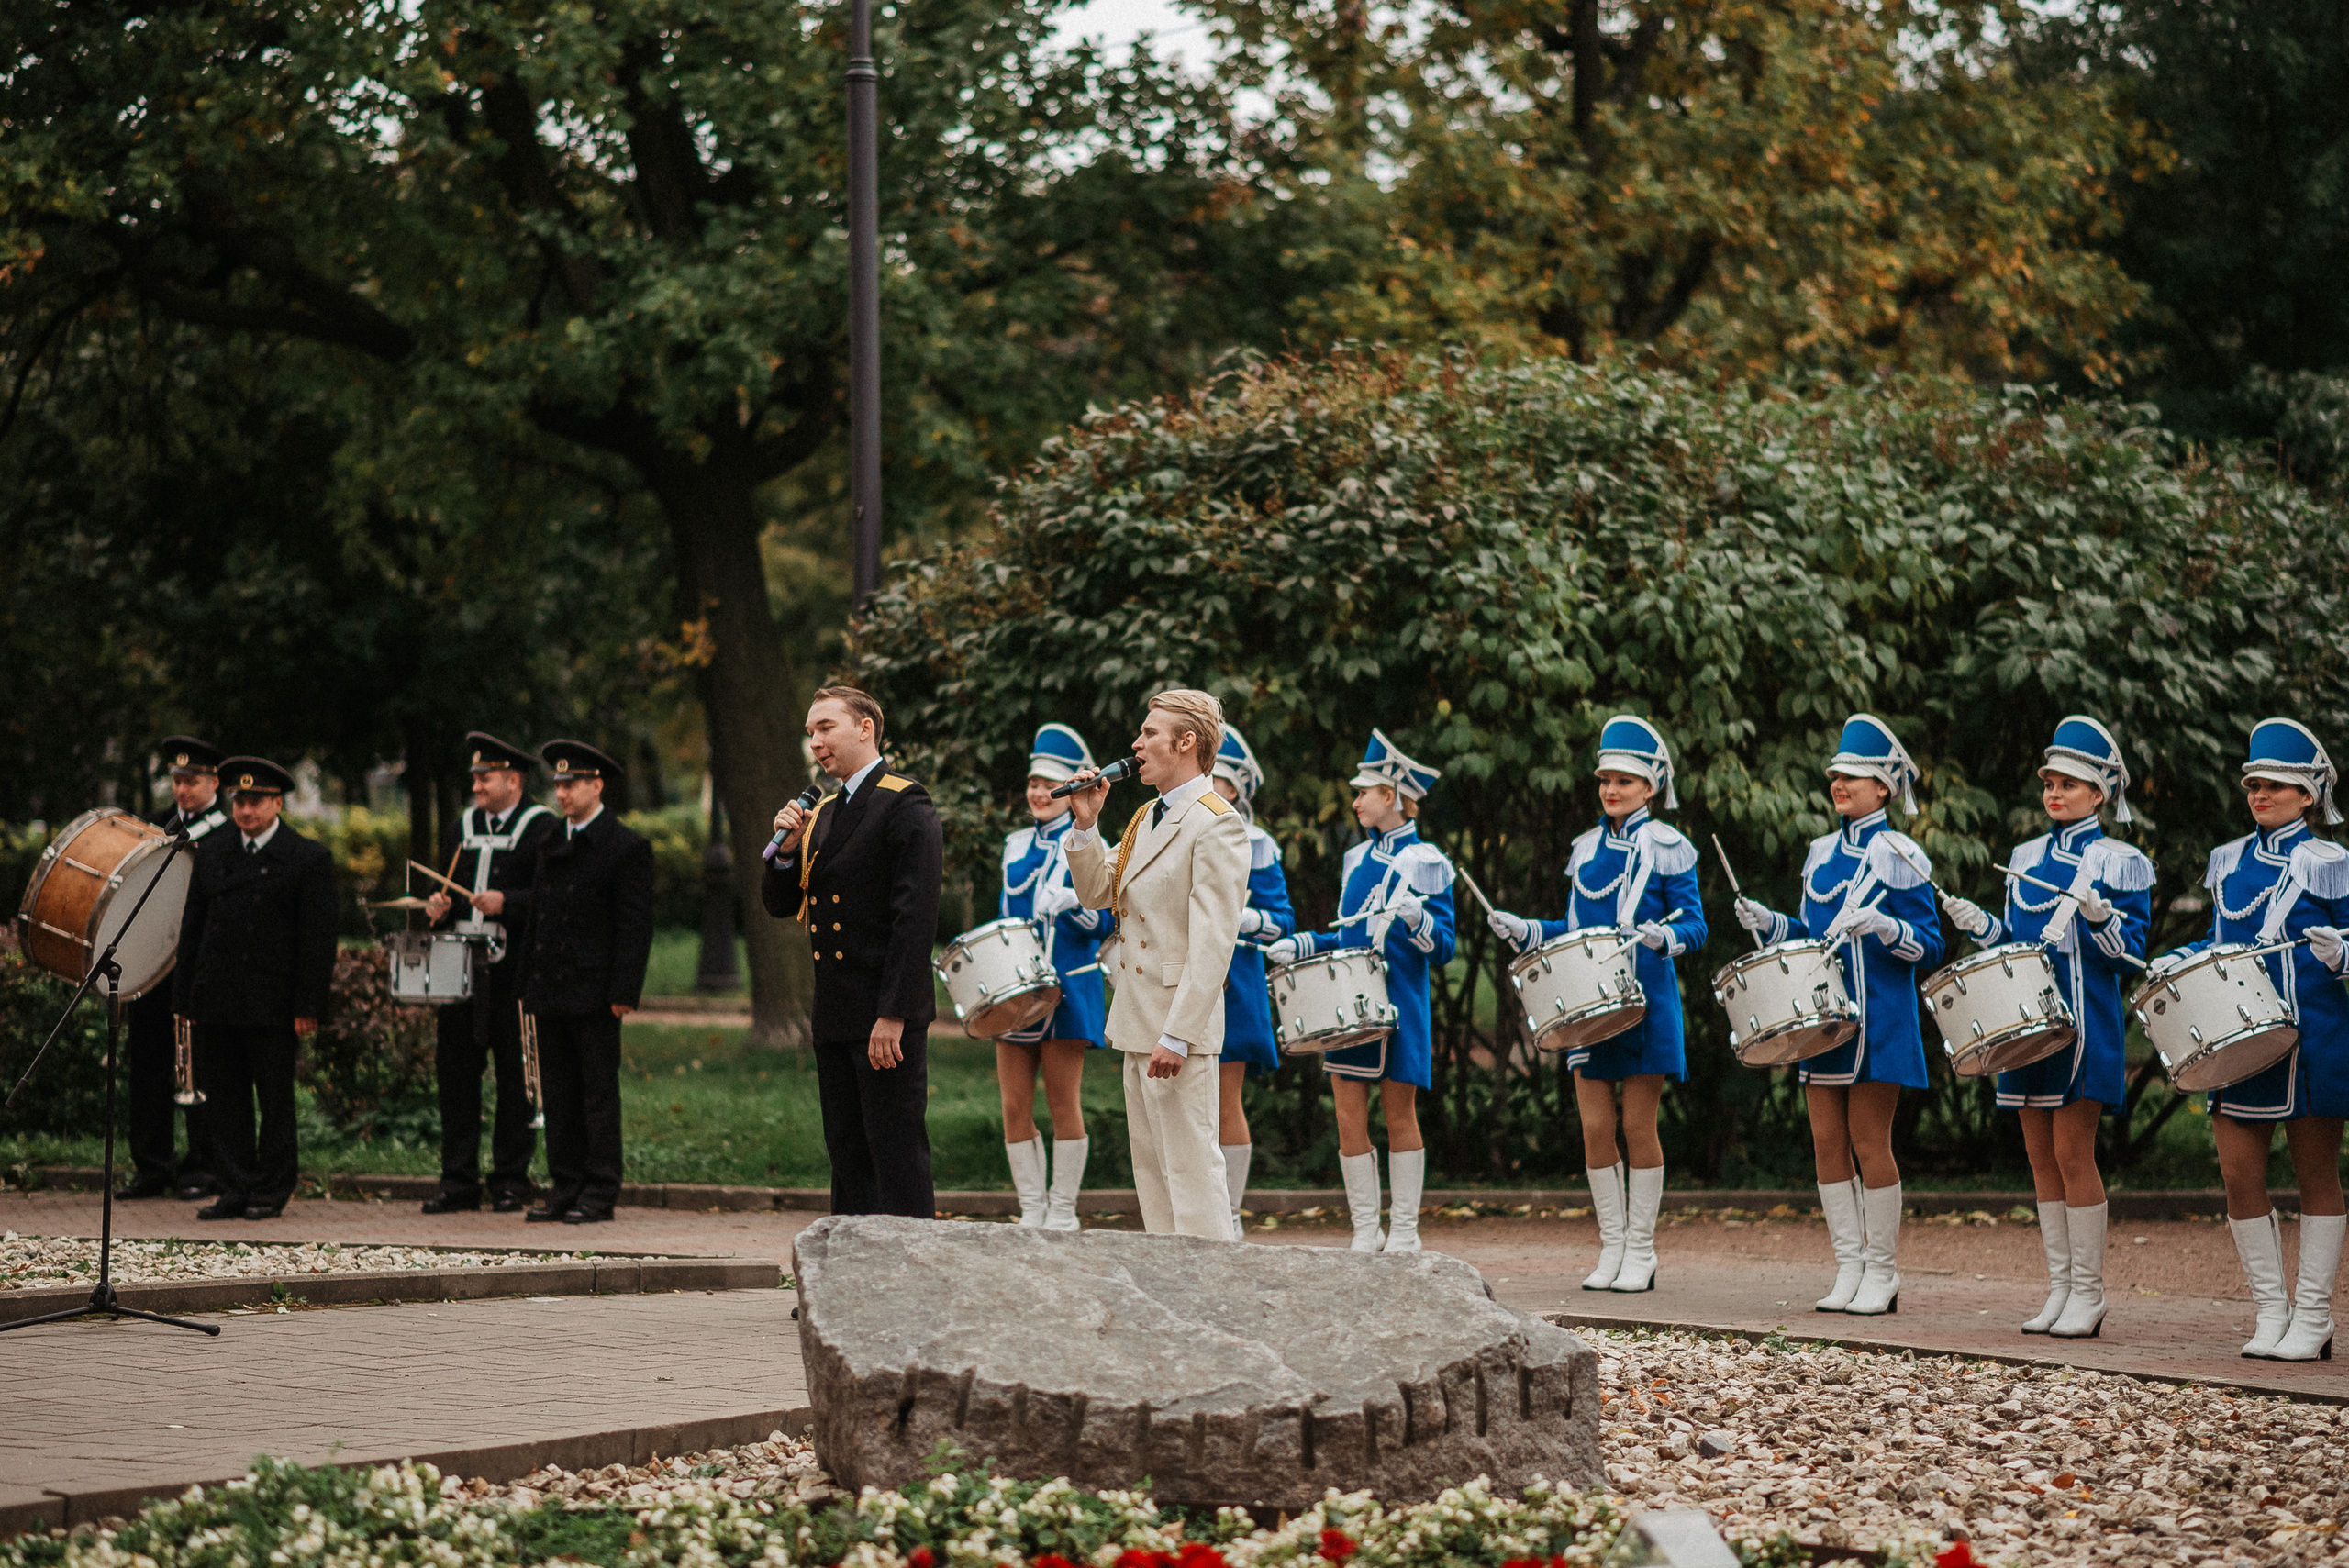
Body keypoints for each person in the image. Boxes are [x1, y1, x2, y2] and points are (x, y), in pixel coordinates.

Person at [1940, 717, 2151, 1340]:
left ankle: (2089, 1292)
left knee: (2071, 1151)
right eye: (2050, 783)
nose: (2055, 793)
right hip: (2024, 1025)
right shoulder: (2026, 856)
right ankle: (2060, 1287)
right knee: (2038, 1157)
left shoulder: (2122, 862)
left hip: (2086, 1023)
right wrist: (1981, 925)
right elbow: (2015, 944)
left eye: (2070, 784)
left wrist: (2102, 917)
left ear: (2100, 793)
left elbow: (2130, 956)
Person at [2149, 718, 2349, 1362]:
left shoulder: (2333, 864)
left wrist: (2342, 952)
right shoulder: (2229, 860)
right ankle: (2271, 1310)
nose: (2259, 795)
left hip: (2315, 1037)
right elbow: (2218, 941)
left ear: (2307, 795)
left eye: (2274, 786)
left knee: (2317, 1174)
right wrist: (2178, 958)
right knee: (2238, 1175)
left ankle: (2313, 1316)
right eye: (2253, 785)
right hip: (2236, 1038)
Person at [1486, 715, 1704, 1293]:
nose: (1611, 789)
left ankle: (1642, 1251)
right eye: (1605, 779)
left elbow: (1696, 924)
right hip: (1585, 1005)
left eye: (1624, 781)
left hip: (1646, 1002)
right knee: (1594, 1127)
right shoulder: (1585, 849)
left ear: (1650, 787)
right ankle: (1611, 1246)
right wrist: (1527, 930)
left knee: (1637, 1124)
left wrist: (1663, 936)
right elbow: (1572, 927)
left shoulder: (1670, 848)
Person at [1732, 714, 1941, 1316]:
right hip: (1820, 1020)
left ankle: (1883, 1270)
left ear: (1884, 788)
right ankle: (1849, 1266)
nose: (1839, 784)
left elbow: (1931, 944)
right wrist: (1771, 922)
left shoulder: (1902, 854)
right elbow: (1809, 934)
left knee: (1870, 1141)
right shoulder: (1821, 852)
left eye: (1853, 776)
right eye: (1835, 775)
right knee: (1826, 1142)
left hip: (1881, 1021)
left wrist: (1886, 927)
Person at [1061, 689, 1250, 1239]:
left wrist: (1179, 1034)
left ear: (1186, 742)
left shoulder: (1216, 822)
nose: (1137, 744)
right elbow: (1099, 892)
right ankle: (1170, 1283)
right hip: (1137, 1019)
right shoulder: (1147, 814)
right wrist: (1086, 825)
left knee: (1192, 1172)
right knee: (1154, 1175)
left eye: (1149, 733)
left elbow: (1213, 943)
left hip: (1176, 1027)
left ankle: (1214, 1284)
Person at [1266, 729, 1457, 1254]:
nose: (1355, 802)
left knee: (1400, 1114)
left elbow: (1444, 949)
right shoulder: (1355, 860)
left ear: (1391, 796)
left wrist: (1419, 921)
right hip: (1345, 1007)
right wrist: (1301, 943)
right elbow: (1345, 936)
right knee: (1347, 1117)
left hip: (1402, 1006)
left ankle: (1406, 1231)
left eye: (1364, 793)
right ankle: (1365, 1229)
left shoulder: (1428, 861)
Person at [762, 688, 945, 1218]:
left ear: (866, 729)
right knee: (847, 1154)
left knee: (895, 1152)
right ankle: (849, 1266)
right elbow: (780, 904)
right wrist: (785, 853)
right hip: (837, 1009)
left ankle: (908, 1266)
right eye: (810, 733)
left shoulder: (905, 802)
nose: (815, 743)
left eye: (826, 728)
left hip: (883, 1011)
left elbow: (914, 920)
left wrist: (894, 1013)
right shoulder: (821, 812)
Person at [173, 756, 336, 1221]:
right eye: (239, 801)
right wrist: (184, 998)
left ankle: (271, 1189)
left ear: (277, 803)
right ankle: (234, 1186)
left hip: (273, 1002)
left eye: (256, 801)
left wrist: (309, 1004)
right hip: (218, 997)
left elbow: (317, 940)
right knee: (225, 1101)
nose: (246, 810)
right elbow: (193, 928)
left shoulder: (306, 857)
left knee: (275, 1101)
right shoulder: (213, 851)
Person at [417, 733, 561, 1215]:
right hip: (461, 972)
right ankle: (457, 1180)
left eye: (485, 777)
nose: (476, 786)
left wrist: (508, 903)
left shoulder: (542, 828)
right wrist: (438, 909)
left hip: (513, 975)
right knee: (456, 1075)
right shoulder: (462, 826)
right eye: (475, 777)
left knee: (515, 1078)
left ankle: (510, 1180)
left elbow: (553, 899)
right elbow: (447, 888)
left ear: (513, 780)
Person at [517, 740, 654, 1225]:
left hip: (595, 991)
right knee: (558, 1093)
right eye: (558, 785)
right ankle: (565, 1185)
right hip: (551, 986)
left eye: (571, 784)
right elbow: (537, 915)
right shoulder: (551, 840)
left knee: (596, 1093)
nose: (562, 794)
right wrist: (526, 981)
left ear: (596, 786)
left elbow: (634, 926)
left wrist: (623, 992)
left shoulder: (625, 847)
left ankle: (599, 1189)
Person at [996, 722, 1114, 1229]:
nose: (1039, 793)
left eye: (1050, 784)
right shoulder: (1014, 844)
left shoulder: (1091, 844)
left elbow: (1107, 923)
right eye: (1033, 783)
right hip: (1015, 989)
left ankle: (1063, 1211)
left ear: (1070, 789)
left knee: (1063, 1102)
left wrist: (1074, 906)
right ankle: (1032, 1210)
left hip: (1069, 987)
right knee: (1013, 1105)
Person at [119, 736, 230, 1201]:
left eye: (192, 781)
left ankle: (204, 1165)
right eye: (177, 780)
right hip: (155, 964)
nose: (182, 790)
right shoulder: (156, 827)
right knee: (148, 1064)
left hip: (202, 965)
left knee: (199, 1067)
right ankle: (152, 1165)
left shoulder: (228, 833)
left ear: (214, 782)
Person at [1210, 724, 1294, 1240]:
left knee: (1225, 1098)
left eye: (1217, 778)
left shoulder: (1256, 842)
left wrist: (1247, 920)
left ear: (1237, 788)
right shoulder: (1175, 826)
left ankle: (1231, 1212)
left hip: (1234, 980)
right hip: (1180, 977)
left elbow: (1282, 919)